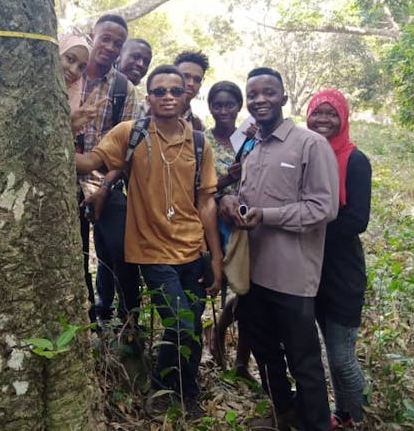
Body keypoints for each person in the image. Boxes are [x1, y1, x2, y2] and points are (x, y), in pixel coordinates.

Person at [76, 64, 223, 417]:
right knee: (182, 325)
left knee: (189, 328)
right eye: (159, 91)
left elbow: (205, 202)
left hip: (192, 250)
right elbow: (89, 163)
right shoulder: (131, 133)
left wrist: (215, 256)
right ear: (150, 97)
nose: (168, 97)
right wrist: (67, 125)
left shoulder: (200, 143)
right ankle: (160, 391)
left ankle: (187, 395)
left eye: (175, 90)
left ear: (187, 94)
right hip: (151, 250)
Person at [219, 67, 339, 431]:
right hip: (253, 273)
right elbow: (247, 195)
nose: (259, 100)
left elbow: (324, 207)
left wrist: (266, 216)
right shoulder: (252, 147)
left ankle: (315, 423)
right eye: (252, 94)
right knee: (265, 351)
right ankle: (282, 411)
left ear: (284, 98)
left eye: (268, 92)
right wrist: (229, 200)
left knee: (303, 360)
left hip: (292, 276)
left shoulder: (309, 145)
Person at [306, 89, 371, 430]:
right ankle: (343, 413)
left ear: (343, 118)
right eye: (319, 113)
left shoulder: (354, 159)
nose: (324, 120)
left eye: (332, 114)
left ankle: (358, 419)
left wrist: (307, 225)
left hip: (342, 272)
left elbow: (357, 219)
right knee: (330, 350)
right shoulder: (306, 153)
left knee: (341, 356)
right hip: (311, 270)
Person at [76, 14, 140, 326]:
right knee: (73, 252)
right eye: (106, 39)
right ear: (93, 36)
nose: (111, 47)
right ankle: (87, 318)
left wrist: (104, 188)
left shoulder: (123, 89)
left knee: (121, 246)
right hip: (61, 176)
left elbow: (124, 151)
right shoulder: (69, 73)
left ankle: (130, 322)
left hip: (103, 178)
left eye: (118, 43)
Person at [204, 81, 254, 382]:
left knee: (247, 295)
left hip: (247, 227)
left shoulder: (250, 139)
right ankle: (215, 346)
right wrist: (224, 183)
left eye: (229, 105)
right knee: (215, 286)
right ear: (210, 107)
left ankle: (241, 363)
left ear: (239, 107)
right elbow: (197, 188)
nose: (223, 110)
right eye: (217, 105)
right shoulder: (203, 141)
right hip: (212, 226)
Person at [173, 50, 208, 131]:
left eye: (197, 79)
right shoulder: (145, 111)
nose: (191, 83)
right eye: (185, 76)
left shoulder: (197, 126)